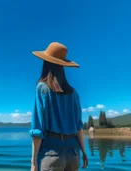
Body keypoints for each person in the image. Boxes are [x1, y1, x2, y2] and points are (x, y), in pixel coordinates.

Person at [29, 42, 88, 171]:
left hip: (51, 154)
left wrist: (33, 162)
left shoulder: (42, 88)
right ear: (62, 67)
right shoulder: (73, 93)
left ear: (46, 63)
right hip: (74, 154)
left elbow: (38, 129)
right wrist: (83, 152)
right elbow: (79, 127)